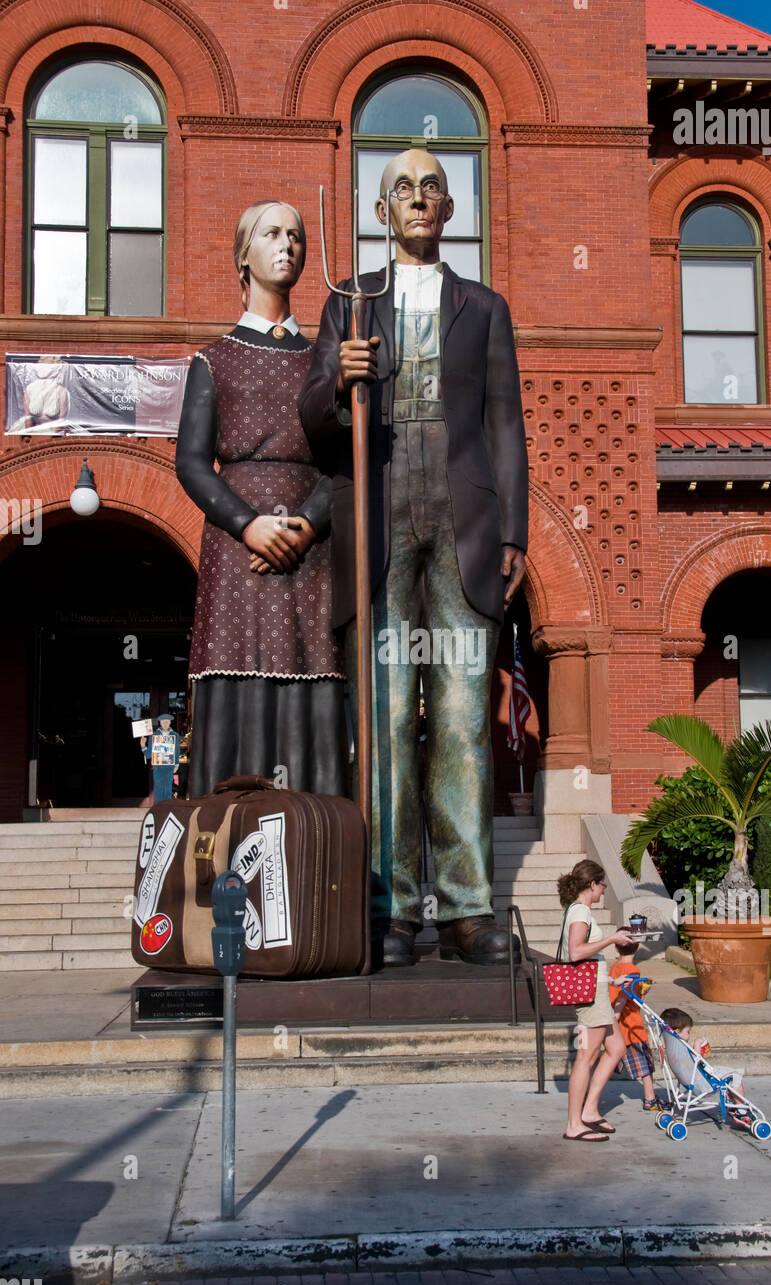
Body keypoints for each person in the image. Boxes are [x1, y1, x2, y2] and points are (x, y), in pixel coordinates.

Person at [299, 149, 529, 967]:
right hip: (381, 516)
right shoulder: (349, 303)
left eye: (432, 186)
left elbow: (505, 424)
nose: (419, 198)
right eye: (403, 188)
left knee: (464, 721)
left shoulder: (485, 307)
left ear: (450, 207)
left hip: (462, 522)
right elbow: (314, 426)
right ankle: (391, 906)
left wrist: (513, 534)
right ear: (380, 209)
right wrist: (335, 381)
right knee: (387, 718)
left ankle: (467, 909)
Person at [175, 199, 345, 798]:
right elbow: (192, 464)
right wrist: (247, 524)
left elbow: (344, 463)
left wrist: (307, 524)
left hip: (310, 550)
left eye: (296, 235)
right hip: (235, 551)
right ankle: (224, 856)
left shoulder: (325, 365)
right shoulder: (212, 359)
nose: (288, 244)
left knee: (313, 682)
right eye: (272, 233)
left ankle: (314, 856)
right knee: (234, 680)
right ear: (242, 256)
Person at [559, 859, 635, 1142]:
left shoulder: (582, 911)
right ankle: (574, 1124)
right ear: (592, 884)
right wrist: (610, 940)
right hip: (591, 996)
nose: (603, 890)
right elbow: (576, 953)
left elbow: (588, 959)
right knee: (586, 1056)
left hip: (598, 989)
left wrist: (613, 981)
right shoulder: (580, 912)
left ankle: (590, 1110)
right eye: (602, 885)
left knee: (616, 1047)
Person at [660, 1008, 749, 1122]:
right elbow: (695, 1060)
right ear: (677, 1032)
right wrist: (697, 1044)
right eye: (687, 1032)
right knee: (734, 1076)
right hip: (702, 1084)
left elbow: (689, 1062)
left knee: (725, 1075)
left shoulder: (675, 1049)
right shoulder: (681, 1049)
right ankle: (741, 1110)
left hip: (692, 1080)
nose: (689, 1035)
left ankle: (735, 1104)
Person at [608, 941, 663, 1112]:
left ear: (616, 948)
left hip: (619, 1025)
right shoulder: (632, 971)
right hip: (631, 1025)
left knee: (610, 1062)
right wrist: (615, 1016)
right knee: (645, 1065)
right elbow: (623, 997)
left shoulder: (614, 968)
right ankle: (650, 1098)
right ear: (638, 947)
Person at [141, 714, 179, 804]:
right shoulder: (154, 735)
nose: (165, 723)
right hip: (157, 767)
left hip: (169, 766)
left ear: (170, 722)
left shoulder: (175, 735)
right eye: (163, 721)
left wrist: (177, 764)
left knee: (168, 789)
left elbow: (177, 750)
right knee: (158, 789)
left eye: (167, 721)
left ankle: (167, 808)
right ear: (160, 723)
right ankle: (158, 809)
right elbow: (149, 754)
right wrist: (143, 745)